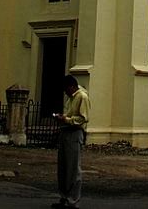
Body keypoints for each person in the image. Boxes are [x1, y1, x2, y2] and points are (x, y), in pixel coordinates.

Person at [53, 74, 90, 208]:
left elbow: (83, 118)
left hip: (75, 133)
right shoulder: (70, 98)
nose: (65, 92)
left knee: (73, 169)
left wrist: (66, 120)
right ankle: (64, 197)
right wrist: (61, 119)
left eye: (66, 89)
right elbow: (69, 114)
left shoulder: (82, 97)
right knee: (63, 168)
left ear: (72, 86)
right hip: (65, 132)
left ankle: (73, 201)